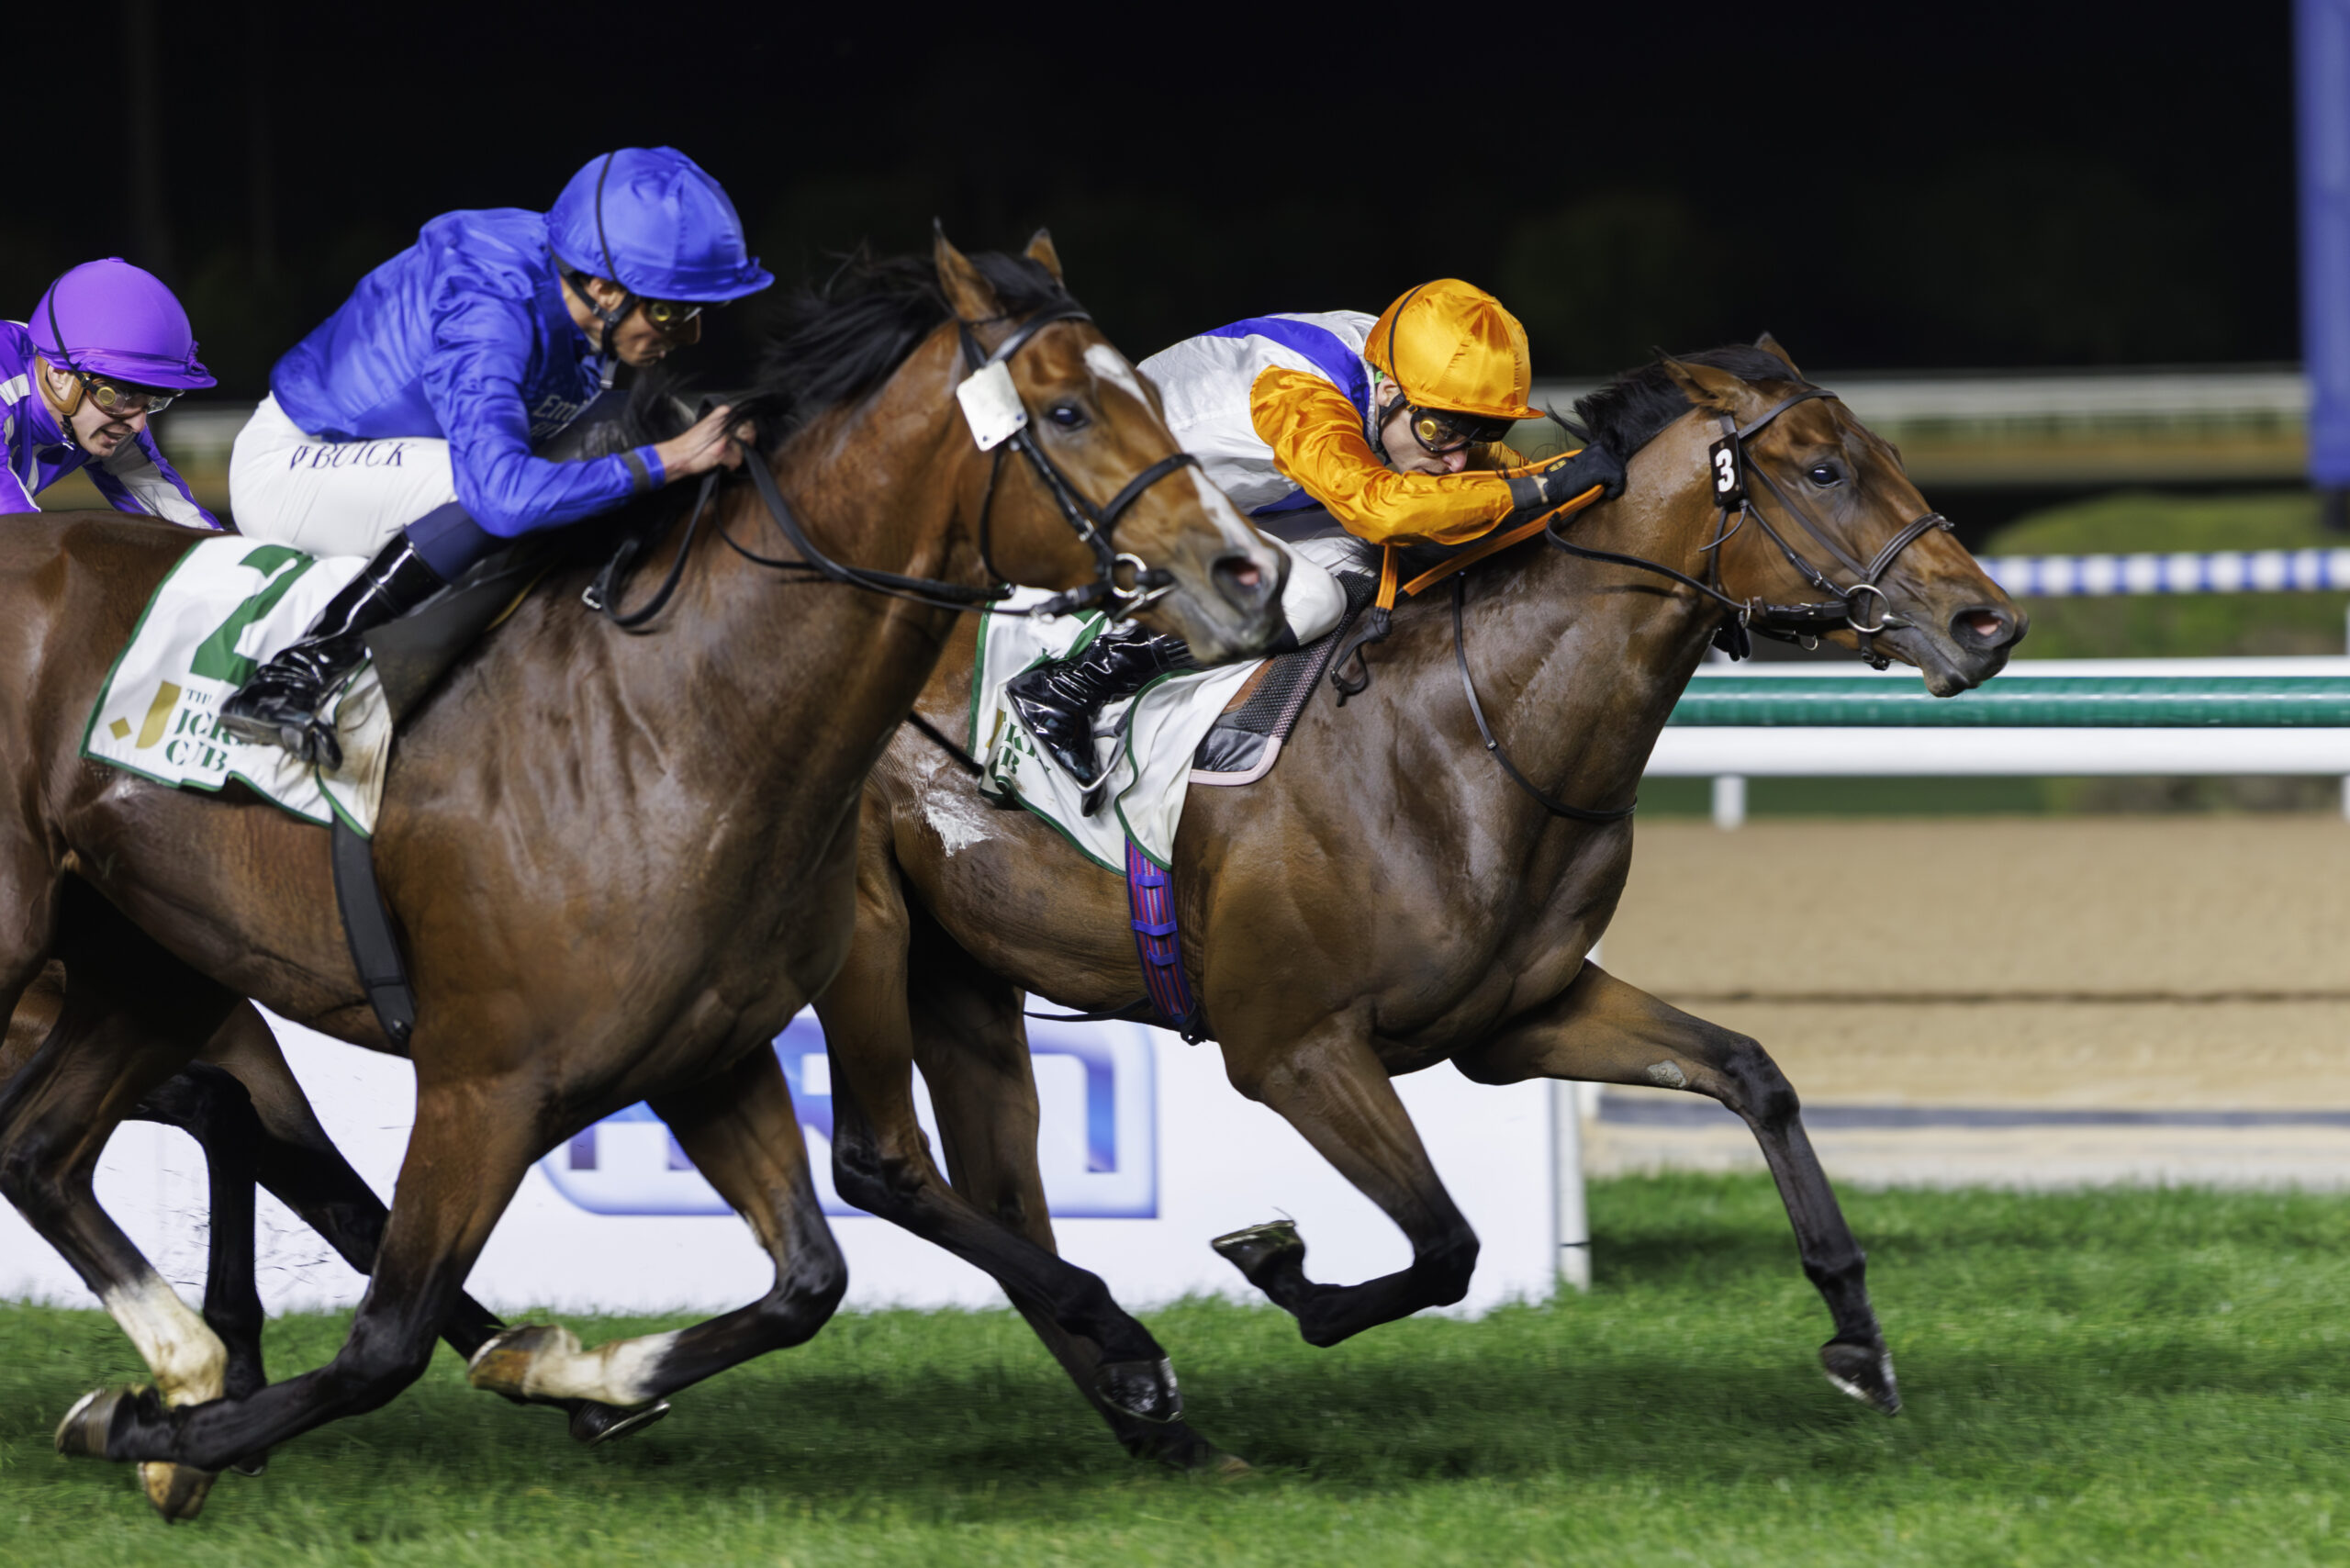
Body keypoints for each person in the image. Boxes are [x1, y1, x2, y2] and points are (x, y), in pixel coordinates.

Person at [218, 147, 770, 767]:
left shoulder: (574, 276)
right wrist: (671, 460)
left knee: (631, 429)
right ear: (604, 288)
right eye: (672, 311)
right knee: (489, 492)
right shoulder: (489, 311)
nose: (691, 335)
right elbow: (500, 498)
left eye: (702, 312)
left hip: (392, 458)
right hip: (296, 465)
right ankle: (295, 672)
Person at [1007, 278, 1626, 790]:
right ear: (1389, 392)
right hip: (1083, 500)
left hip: (1229, 498)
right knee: (1315, 595)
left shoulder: (1404, 367)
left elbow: (1498, 475)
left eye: (1479, 433)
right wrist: (1546, 487)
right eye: (1441, 434)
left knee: (1363, 560)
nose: (1457, 457)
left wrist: (1576, 474)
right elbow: (1379, 509)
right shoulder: (1300, 394)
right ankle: (1069, 687)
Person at [1, 260, 218, 526]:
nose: (138, 425)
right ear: (59, 375)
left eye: (152, 402)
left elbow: (188, 523)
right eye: (119, 396)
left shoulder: (101, 413)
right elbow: (17, 534)